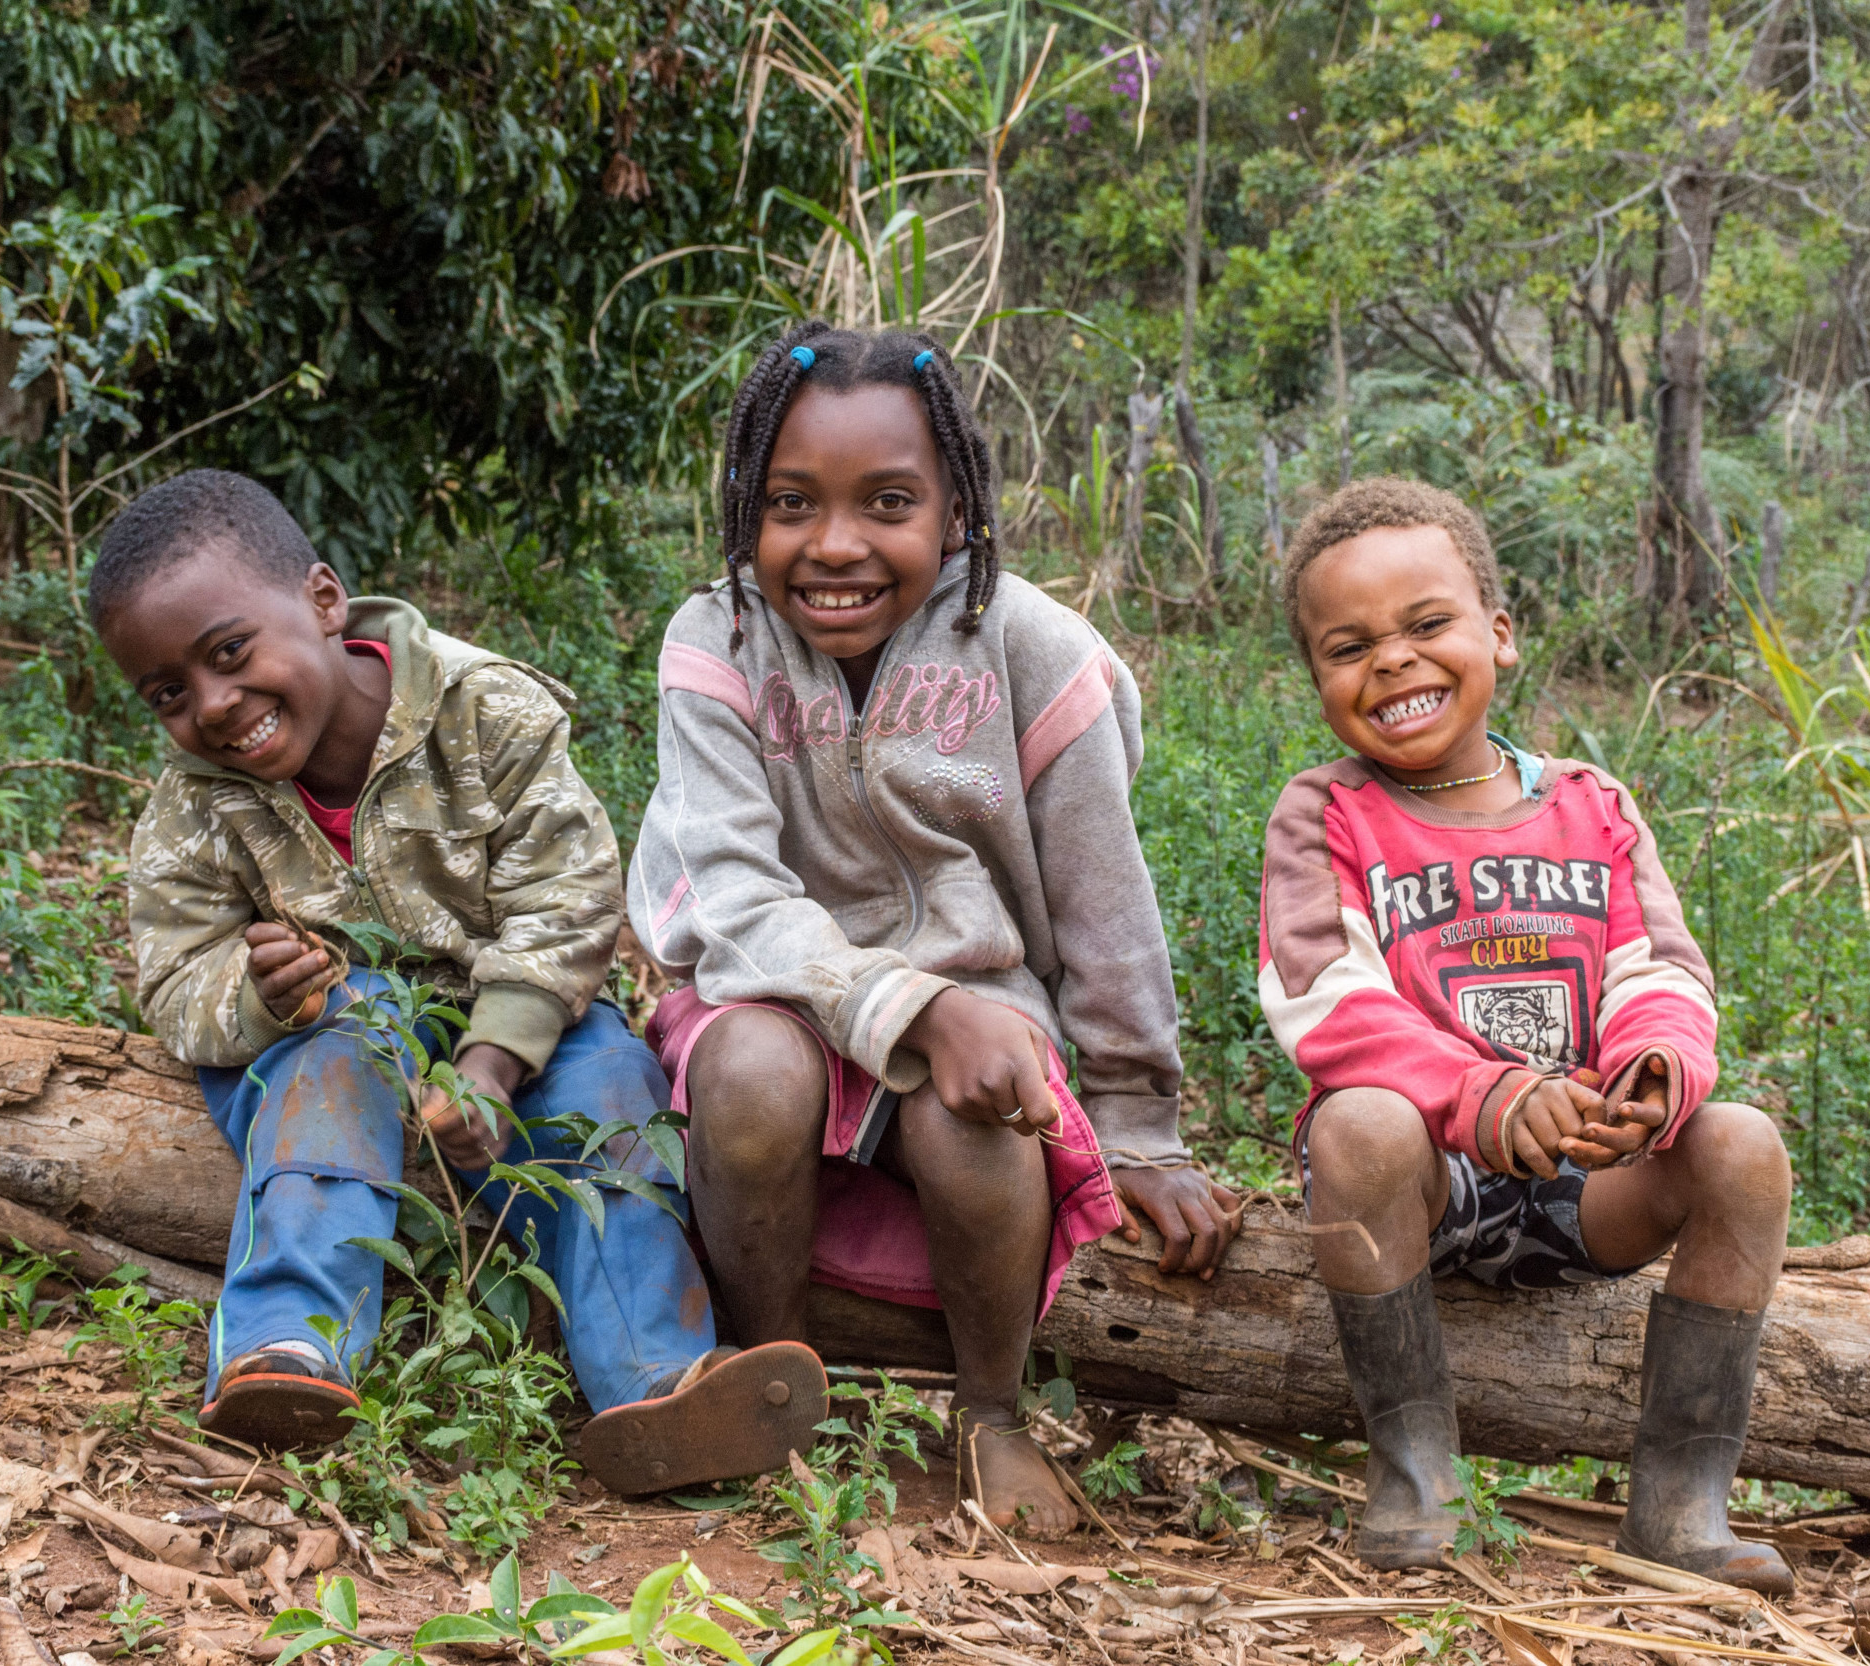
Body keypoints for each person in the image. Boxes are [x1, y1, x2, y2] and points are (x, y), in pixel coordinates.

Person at [94, 468, 825, 1490]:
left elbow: (568, 899)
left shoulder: (485, 711)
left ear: (322, 600)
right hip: (330, 1032)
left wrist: (491, 1062)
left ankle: (660, 1379)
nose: (215, 707)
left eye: (229, 653)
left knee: (610, 1105)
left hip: (531, 1018)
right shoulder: (194, 804)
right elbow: (176, 976)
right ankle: (287, 1349)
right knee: (332, 1054)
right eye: (170, 692)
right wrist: (263, 991)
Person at [628, 323, 1242, 1539]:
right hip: (769, 984)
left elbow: (1106, 909)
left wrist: (1138, 1127)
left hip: (981, 986)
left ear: (959, 510)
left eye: (888, 503)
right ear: (747, 504)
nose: (835, 545)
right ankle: (770, 1369)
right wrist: (903, 1008)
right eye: (791, 503)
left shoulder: (1037, 651)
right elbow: (738, 899)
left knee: (983, 1118)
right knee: (750, 1077)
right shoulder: (719, 640)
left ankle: (992, 1412)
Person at [1259, 477, 1796, 1592]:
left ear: (1499, 636)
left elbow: (1664, 968)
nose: (1394, 661)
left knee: (1742, 1143)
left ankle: (1682, 1503)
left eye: (1426, 625)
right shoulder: (1327, 812)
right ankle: (1416, 1473)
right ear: (1318, 678)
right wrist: (1484, 1096)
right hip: (1418, 1181)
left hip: (1578, 1183)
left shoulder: (1595, 804)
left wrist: (1654, 1072)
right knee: (1359, 1123)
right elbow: (1324, 1000)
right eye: (1349, 646)